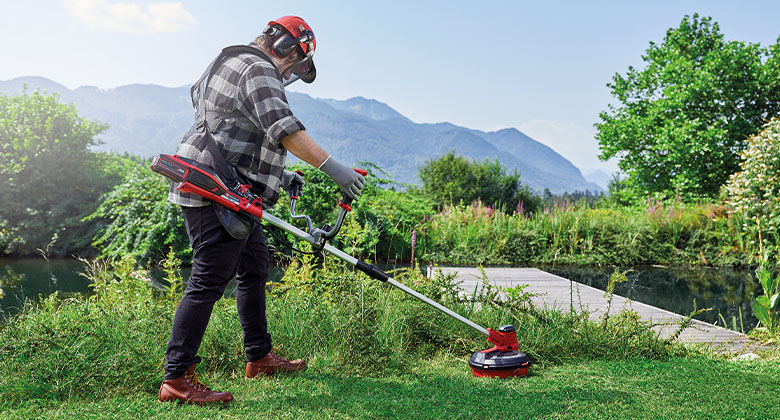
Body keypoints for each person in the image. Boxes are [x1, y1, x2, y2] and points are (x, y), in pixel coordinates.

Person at [158, 16, 364, 404]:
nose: (291, 74)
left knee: (255, 268)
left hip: (232, 186)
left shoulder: (227, 61)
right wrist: (338, 171)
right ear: (286, 48)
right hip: (218, 192)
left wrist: (279, 179)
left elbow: (231, 128)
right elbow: (284, 129)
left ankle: (259, 357)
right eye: (295, 65)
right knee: (207, 280)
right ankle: (176, 379)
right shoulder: (259, 68)